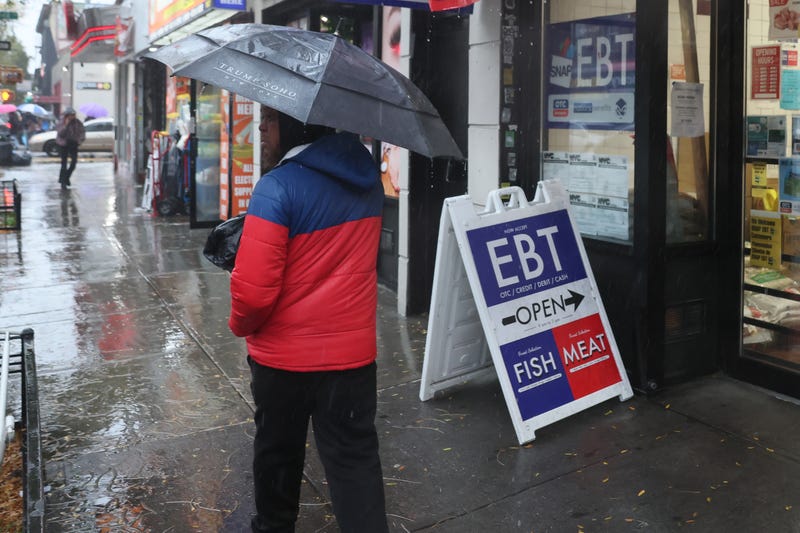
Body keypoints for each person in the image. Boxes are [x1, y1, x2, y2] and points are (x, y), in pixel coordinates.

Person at [228, 105, 388, 533]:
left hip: (284, 361)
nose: (260, 127)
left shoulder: (276, 187)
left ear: (293, 125)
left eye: (269, 118)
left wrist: (239, 324)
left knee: (278, 457)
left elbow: (253, 291)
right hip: (352, 359)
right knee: (355, 463)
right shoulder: (367, 180)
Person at [56, 107, 85, 189]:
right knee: (64, 164)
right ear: (67, 116)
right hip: (63, 144)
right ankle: (63, 183)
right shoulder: (61, 123)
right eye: (71, 115)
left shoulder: (77, 122)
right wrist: (66, 125)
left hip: (73, 144)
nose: (73, 116)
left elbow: (82, 131)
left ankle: (66, 178)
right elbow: (61, 134)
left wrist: (80, 140)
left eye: (74, 115)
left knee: (73, 163)